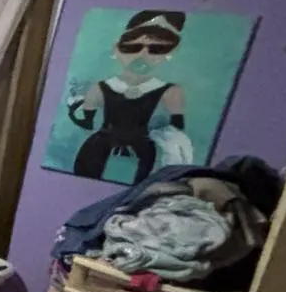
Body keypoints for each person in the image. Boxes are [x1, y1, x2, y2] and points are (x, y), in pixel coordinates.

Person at [68, 10, 195, 183]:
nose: (142, 55)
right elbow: (87, 122)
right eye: (132, 48)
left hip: (142, 152)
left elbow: (177, 129)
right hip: (99, 149)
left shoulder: (171, 91)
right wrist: (76, 107)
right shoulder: (101, 87)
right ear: (116, 49)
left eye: (156, 49)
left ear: (168, 53)